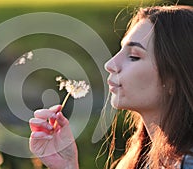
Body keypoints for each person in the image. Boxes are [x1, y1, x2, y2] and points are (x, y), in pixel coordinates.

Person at [29, 5, 193, 169]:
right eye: (120, 50)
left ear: (175, 79)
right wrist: (67, 165)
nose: (110, 64)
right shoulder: (142, 160)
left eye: (134, 56)